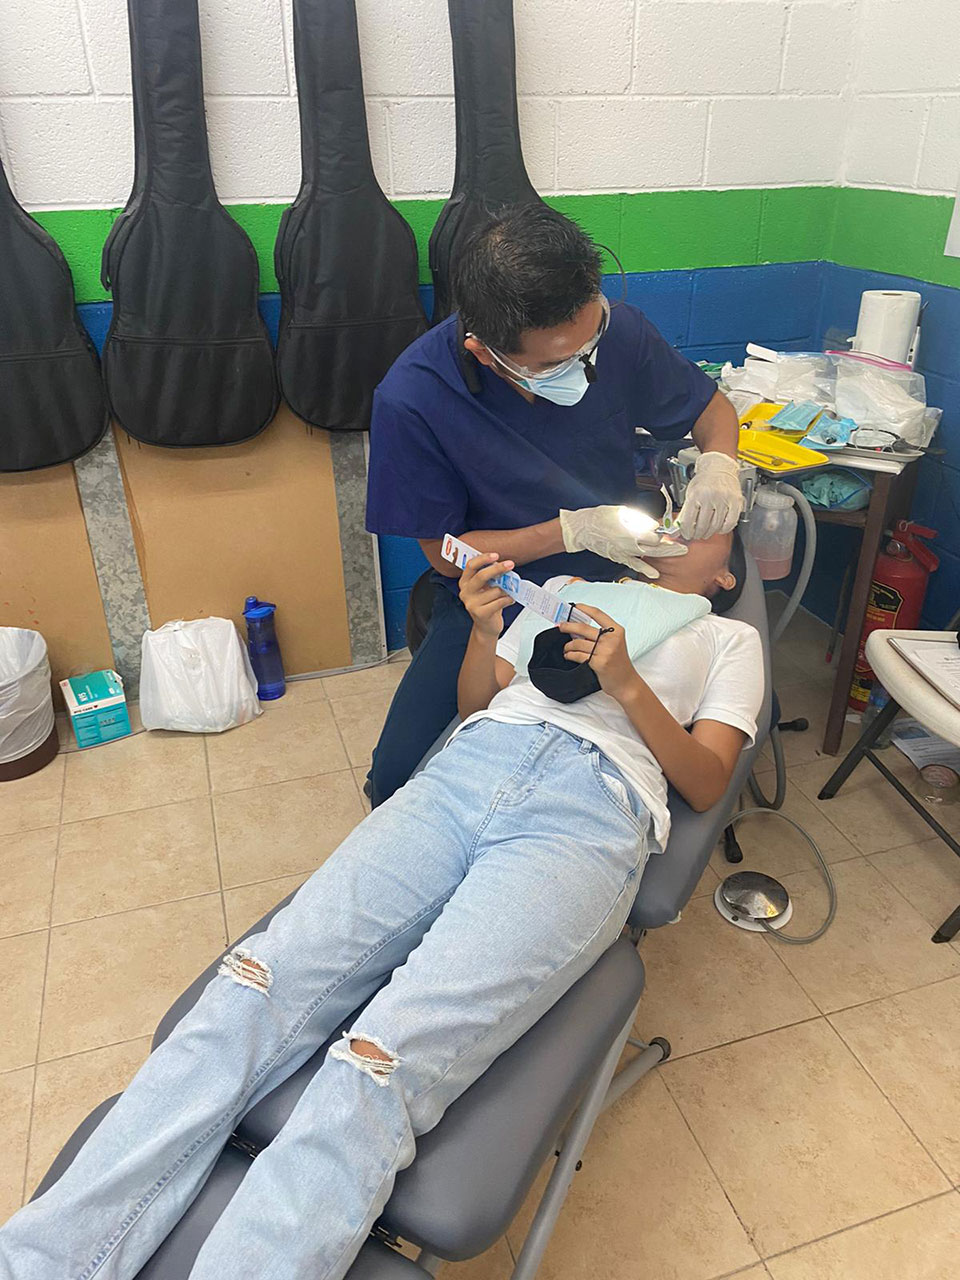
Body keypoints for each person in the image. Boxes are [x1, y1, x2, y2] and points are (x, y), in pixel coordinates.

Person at [0, 530, 762, 1280]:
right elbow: (474, 705)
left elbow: (703, 782)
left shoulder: (730, 640)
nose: (682, 527)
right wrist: (485, 628)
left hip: (590, 812)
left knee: (383, 1059)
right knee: (254, 986)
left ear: (727, 574)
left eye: (709, 527)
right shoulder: (563, 593)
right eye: (672, 513)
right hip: (467, 771)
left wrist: (628, 682)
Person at [365, 203, 744, 807]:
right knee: (397, 778)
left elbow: (711, 411)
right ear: (485, 352)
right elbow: (444, 554)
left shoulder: (620, 332)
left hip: (625, 573)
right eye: (553, 365)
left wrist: (722, 463)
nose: (583, 368)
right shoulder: (414, 397)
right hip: (498, 590)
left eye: (588, 345)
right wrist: (571, 532)